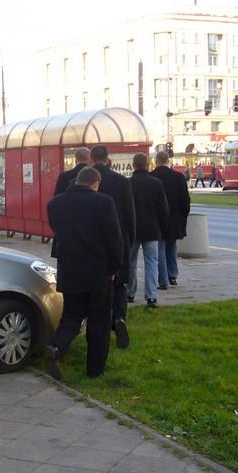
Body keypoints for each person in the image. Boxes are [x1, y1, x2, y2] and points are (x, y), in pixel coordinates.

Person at [46, 167, 123, 380]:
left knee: (70, 317)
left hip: (69, 270)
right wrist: (115, 268)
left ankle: (56, 348)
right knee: (99, 322)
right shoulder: (104, 202)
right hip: (99, 272)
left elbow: (57, 232)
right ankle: (95, 370)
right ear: (95, 183)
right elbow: (114, 238)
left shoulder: (55, 204)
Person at [90, 145, 135, 349]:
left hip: (94, 241)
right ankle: (119, 317)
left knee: (98, 283)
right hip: (120, 238)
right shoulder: (122, 182)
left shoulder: (85, 180)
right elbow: (130, 215)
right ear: (108, 159)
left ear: (92, 159)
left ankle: (99, 320)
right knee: (120, 283)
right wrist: (130, 240)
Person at [128, 153, 169, 308]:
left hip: (133, 229)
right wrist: (161, 227)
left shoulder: (129, 183)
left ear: (133, 165)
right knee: (152, 262)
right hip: (152, 229)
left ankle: (130, 292)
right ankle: (151, 296)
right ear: (148, 164)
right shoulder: (156, 183)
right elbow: (163, 209)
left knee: (130, 262)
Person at [151, 150, 190, 290]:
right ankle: (172, 275)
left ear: (156, 161)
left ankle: (162, 277)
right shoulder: (178, 177)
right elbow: (185, 200)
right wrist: (183, 215)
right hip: (174, 217)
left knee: (159, 247)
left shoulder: (152, 177)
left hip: (156, 218)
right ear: (168, 161)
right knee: (171, 246)